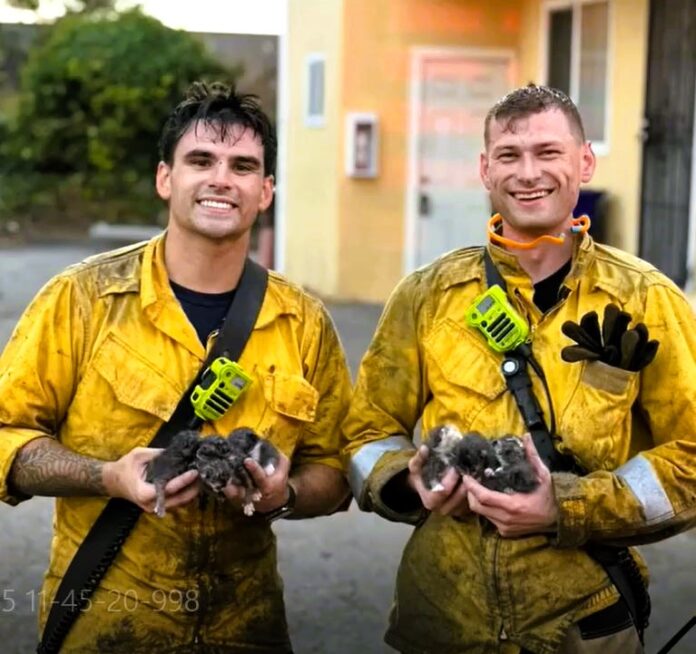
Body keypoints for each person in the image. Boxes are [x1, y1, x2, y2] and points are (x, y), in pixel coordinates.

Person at [342, 85, 696, 654]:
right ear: (485, 169)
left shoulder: (649, 300)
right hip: (440, 620)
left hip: (584, 628)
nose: (528, 172)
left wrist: (565, 506)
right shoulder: (426, 296)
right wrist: (411, 480)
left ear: (585, 162)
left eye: (548, 152)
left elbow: (692, 459)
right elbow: (361, 435)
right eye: (509, 155)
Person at [0, 81, 351, 653]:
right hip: (105, 625)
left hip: (248, 631)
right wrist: (107, 477)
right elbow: (6, 435)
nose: (220, 178)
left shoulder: (303, 322)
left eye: (242, 166)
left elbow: (335, 469)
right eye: (200, 160)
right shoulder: (82, 299)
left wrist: (282, 496)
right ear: (166, 179)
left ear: (265, 192)